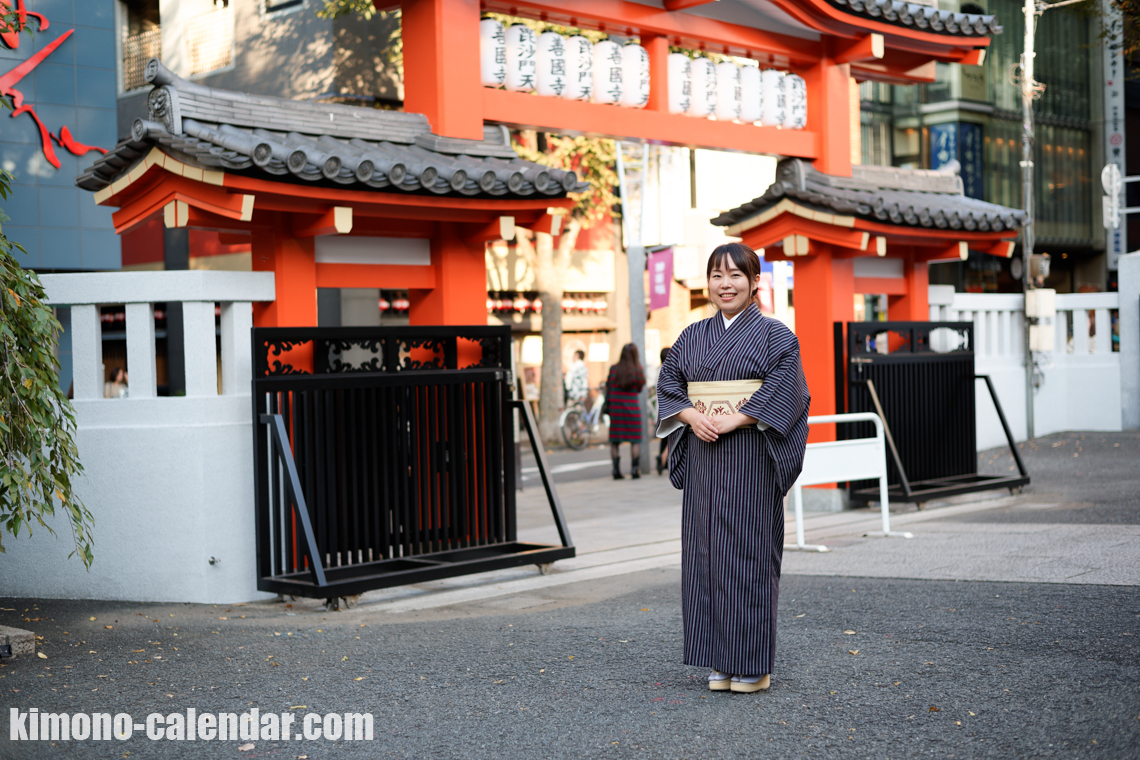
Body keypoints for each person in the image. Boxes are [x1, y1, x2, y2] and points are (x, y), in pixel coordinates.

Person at [655, 242, 810, 694]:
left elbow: (790, 391)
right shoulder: (691, 336)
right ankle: (720, 659)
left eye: (736, 275)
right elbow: (669, 383)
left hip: (750, 457)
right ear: (709, 283)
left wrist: (740, 416)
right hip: (704, 456)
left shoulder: (777, 336)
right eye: (717, 276)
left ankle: (753, 664)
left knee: (748, 554)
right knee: (705, 553)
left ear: (755, 282)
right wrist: (689, 415)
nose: (726, 284)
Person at [605, 343, 646, 480]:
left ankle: (616, 471)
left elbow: (609, 386)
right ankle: (635, 470)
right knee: (635, 440)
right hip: (632, 409)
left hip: (616, 409)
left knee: (615, 441)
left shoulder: (613, 369)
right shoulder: (637, 370)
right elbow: (640, 387)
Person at [656, 346, 672, 475]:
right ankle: (663, 459)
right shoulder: (671, 370)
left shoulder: (658, 370)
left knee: (663, 435)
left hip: (660, 408)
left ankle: (661, 458)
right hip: (672, 406)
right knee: (673, 433)